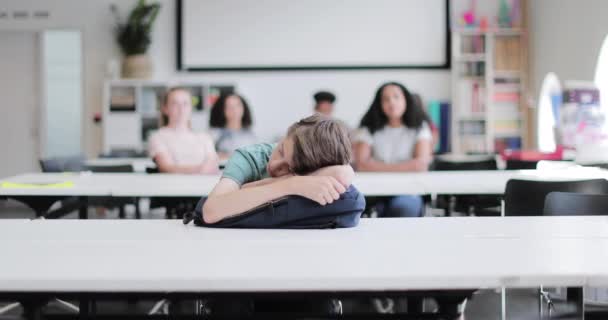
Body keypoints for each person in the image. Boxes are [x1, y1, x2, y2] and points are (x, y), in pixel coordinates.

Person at [202, 113, 354, 224]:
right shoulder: (249, 157)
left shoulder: (318, 165)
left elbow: (345, 173)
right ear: (285, 136)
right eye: (281, 150)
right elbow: (211, 211)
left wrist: (252, 187)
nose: (274, 166)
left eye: (290, 169)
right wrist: (291, 184)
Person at [353, 82, 434, 218]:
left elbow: (421, 164)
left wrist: (376, 166)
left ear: (406, 100)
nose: (392, 102)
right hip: (373, 189)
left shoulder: (420, 127)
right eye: (386, 99)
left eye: (396, 97)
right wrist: (406, 166)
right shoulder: (368, 128)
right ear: (379, 104)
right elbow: (361, 164)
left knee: (403, 208)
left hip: (409, 189)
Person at [148, 87, 219, 174]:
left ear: (191, 108)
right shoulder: (158, 137)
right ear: (165, 108)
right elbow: (166, 168)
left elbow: (213, 163)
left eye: (185, 103)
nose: (181, 108)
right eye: (175, 103)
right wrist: (201, 169)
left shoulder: (204, 137)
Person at [209, 93, 257, 160]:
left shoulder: (250, 134)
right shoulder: (214, 134)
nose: (234, 110)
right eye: (229, 106)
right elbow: (208, 157)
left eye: (237, 105)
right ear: (222, 110)